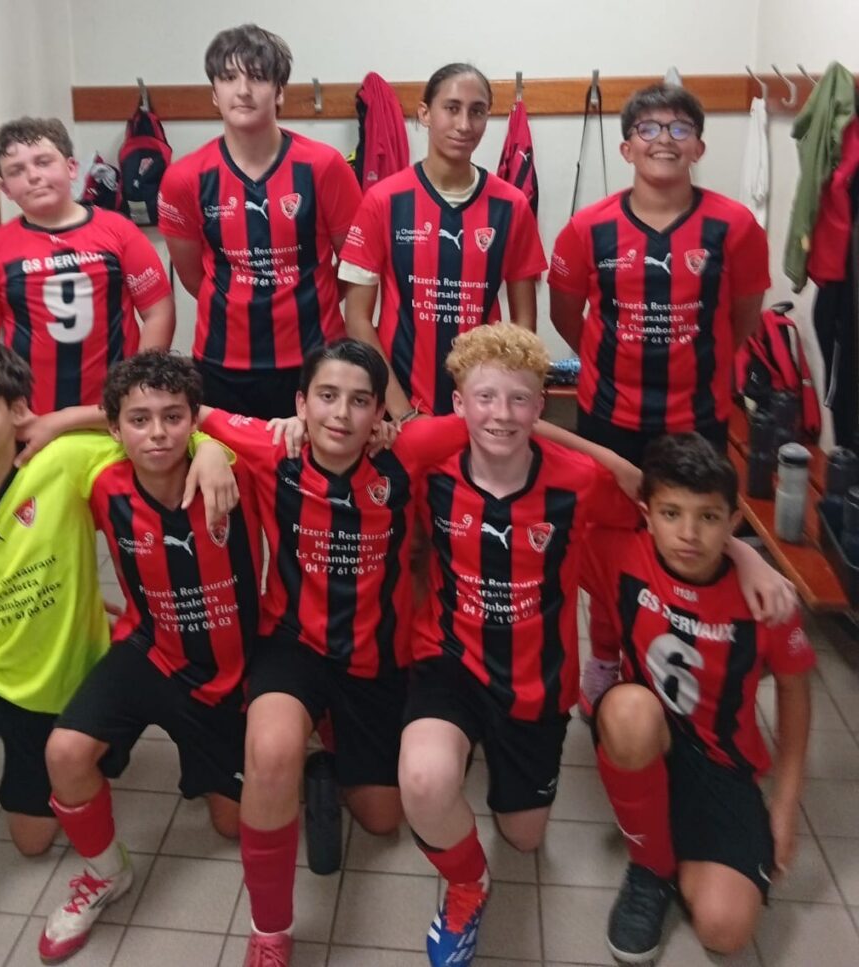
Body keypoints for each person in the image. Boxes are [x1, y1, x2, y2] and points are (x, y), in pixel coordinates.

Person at [397, 325, 796, 966]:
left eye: (520, 400)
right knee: (423, 780)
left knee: (524, 837)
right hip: (449, 661)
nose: (501, 414)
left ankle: (493, 765)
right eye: (485, 398)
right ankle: (468, 885)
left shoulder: (579, 482)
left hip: (537, 683)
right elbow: (381, 440)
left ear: (542, 405)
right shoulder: (430, 461)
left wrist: (745, 554)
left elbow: (659, 509)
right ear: (458, 402)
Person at [0, 340, 232, 967]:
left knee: (32, 841)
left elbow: (153, 430)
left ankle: (72, 783)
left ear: (17, 411)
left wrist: (207, 445)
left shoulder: (64, 463)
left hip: (57, 686)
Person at [198, 338, 472, 966]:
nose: (341, 414)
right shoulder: (274, 449)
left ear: (380, 412)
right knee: (271, 754)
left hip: (378, 655)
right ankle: (270, 932)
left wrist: (627, 472)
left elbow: (500, 418)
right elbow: (186, 410)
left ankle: (324, 751)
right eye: (326, 396)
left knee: (382, 819)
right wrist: (207, 448)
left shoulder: (406, 452)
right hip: (293, 643)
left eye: (359, 401)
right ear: (300, 403)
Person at [547, 83, 771, 711]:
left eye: (679, 128)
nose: (664, 140)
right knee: (608, 544)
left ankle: (666, 656)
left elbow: (744, 320)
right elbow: (567, 316)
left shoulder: (735, 226)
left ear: (699, 146)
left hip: (696, 420)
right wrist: (614, 361)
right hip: (608, 419)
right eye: (648, 129)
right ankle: (605, 653)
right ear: (627, 148)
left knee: (685, 543)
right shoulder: (587, 229)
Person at [36, 351, 261, 962]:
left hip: (228, 672)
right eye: (139, 420)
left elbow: (269, 440)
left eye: (173, 417)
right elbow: (14, 476)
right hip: (148, 651)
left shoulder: (235, 473)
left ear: (194, 419)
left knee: (233, 825)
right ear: (114, 428)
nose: (157, 433)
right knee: (64, 752)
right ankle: (106, 873)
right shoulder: (101, 483)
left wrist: (214, 448)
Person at [582, 434, 813, 963]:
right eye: (671, 513)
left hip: (723, 765)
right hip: (648, 738)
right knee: (629, 710)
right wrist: (618, 463)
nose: (688, 534)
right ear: (646, 514)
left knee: (725, 930)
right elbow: (538, 455)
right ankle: (650, 868)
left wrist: (785, 804)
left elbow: (796, 691)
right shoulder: (620, 554)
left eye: (708, 518)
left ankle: (670, 839)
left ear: (734, 522)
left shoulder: (766, 596)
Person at [158, 24, 362, 419]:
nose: (243, 90)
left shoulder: (324, 166)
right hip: (222, 363)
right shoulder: (184, 178)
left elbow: (355, 268)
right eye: (228, 78)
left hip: (316, 358)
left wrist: (311, 299)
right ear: (214, 93)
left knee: (309, 461)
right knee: (224, 460)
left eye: (257, 77)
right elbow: (192, 277)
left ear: (279, 91)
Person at [339, 63, 546, 420]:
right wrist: (402, 412)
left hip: (483, 410)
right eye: (452, 108)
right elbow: (357, 318)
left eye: (477, 111)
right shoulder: (383, 200)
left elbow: (523, 323)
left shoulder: (511, 205)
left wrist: (501, 399)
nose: (464, 124)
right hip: (399, 408)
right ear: (425, 114)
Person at [0, 117, 174, 416]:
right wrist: (8, 410)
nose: (33, 176)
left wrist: (138, 387)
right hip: (34, 417)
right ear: (5, 188)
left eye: (43, 162)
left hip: (114, 412)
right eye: (17, 170)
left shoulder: (119, 232)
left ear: (71, 167)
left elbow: (158, 312)